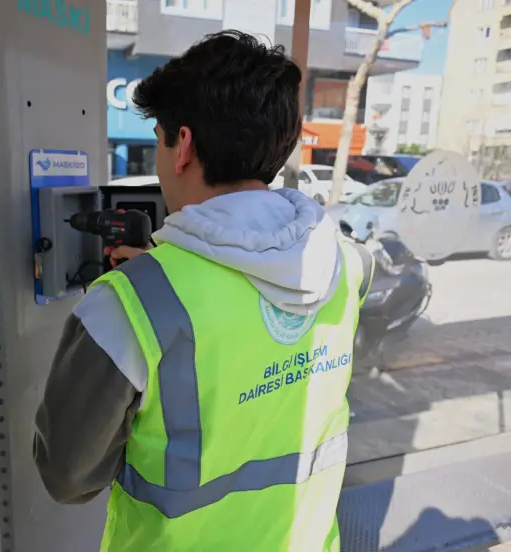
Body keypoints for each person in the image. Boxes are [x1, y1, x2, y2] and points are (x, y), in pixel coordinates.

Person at [33, 30, 374, 552]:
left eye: (159, 141)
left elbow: (68, 476)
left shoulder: (126, 307)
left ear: (184, 146)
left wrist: (148, 288)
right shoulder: (347, 265)